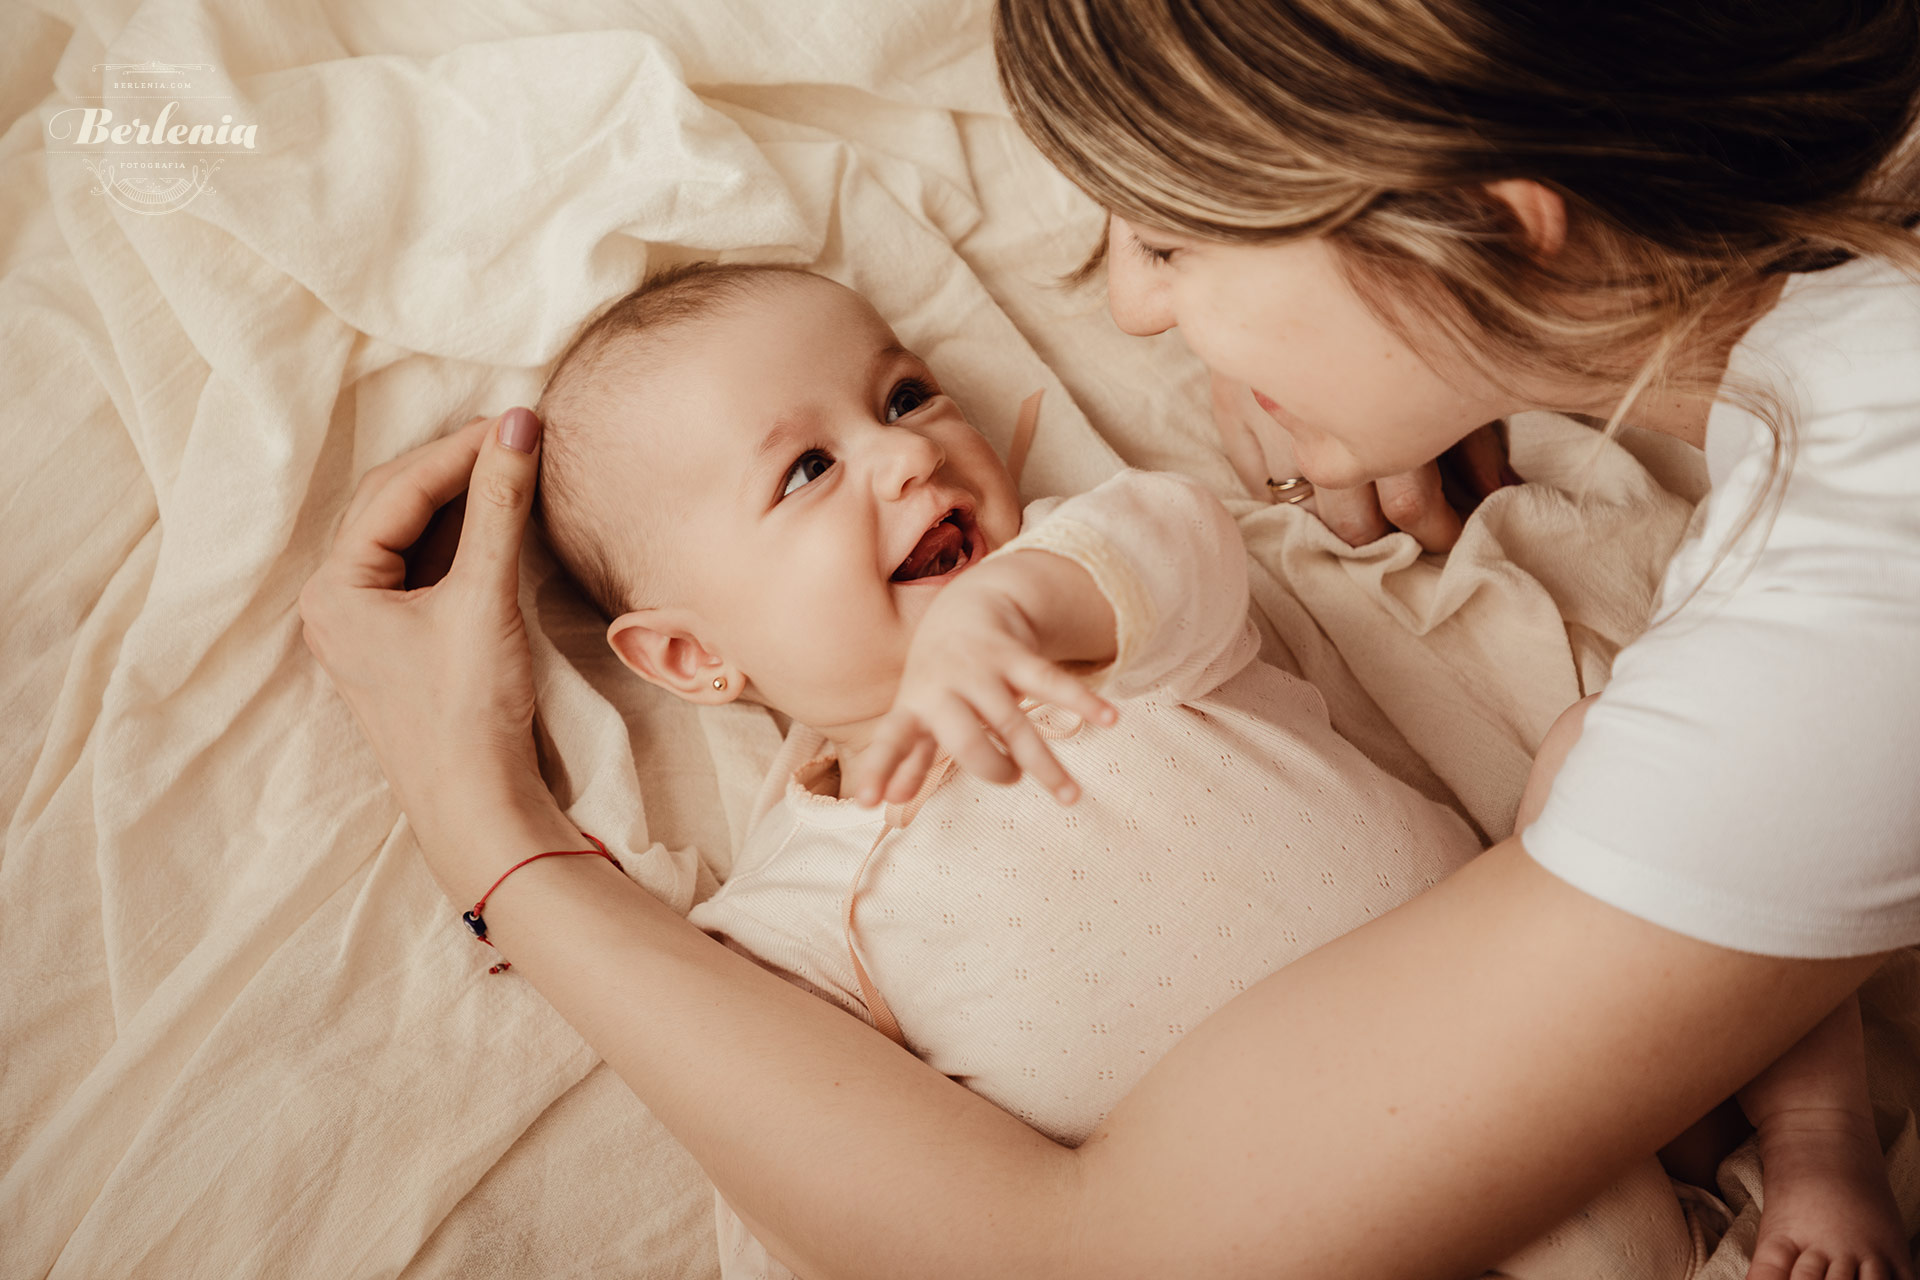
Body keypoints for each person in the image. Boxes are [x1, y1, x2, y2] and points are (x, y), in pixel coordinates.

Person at [297, 2, 1920, 1278]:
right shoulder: (802, 896)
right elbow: (782, 1106)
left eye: (1178, 237)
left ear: (1487, 232)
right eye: (803, 473)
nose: (1136, 311)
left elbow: (1080, 1251)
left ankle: (1818, 1142)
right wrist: (1385, 357)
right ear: (683, 659)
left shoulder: (1831, 643)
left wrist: (486, 826)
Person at [524, 259, 1492, 1275]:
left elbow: (1181, 534)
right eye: (808, 469)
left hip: (1522, 1026)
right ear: (692, 656)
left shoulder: (1094, 610)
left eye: (905, 396)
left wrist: (1022, 606)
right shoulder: (791, 919)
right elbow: (801, 1185)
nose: (907, 451)